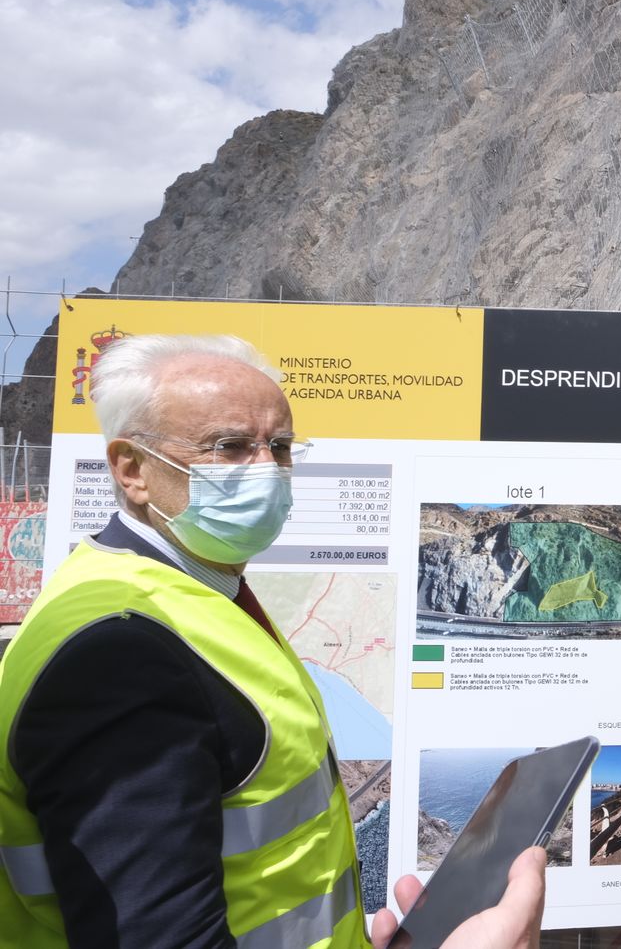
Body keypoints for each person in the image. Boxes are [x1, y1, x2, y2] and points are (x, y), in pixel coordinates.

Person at [0, 334, 543, 949]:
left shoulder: (188, 596)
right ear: (133, 470)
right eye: (229, 446)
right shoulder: (119, 655)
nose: (267, 469)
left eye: (280, 446)